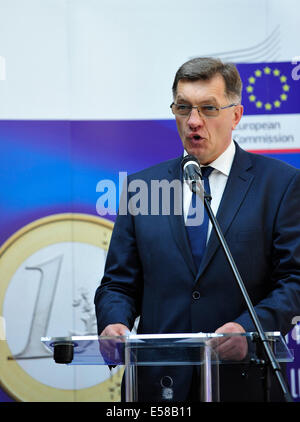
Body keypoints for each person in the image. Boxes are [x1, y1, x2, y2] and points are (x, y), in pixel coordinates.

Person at [94, 57, 300, 402]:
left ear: (236, 115)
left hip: (243, 382)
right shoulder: (140, 188)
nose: (193, 121)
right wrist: (115, 322)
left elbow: (295, 279)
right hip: (157, 386)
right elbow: (118, 283)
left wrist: (248, 329)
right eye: (183, 107)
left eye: (208, 108)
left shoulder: (279, 185)